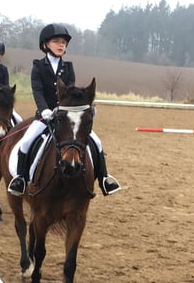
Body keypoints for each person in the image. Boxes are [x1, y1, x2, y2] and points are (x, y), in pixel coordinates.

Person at [7, 24, 121, 196]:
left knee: (96, 142)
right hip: (44, 117)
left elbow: (72, 92)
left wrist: (84, 108)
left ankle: (104, 179)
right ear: (45, 44)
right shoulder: (38, 66)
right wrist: (45, 110)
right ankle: (21, 179)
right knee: (26, 141)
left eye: (64, 43)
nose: (61, 45)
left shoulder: (68, 67)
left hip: (67, 117)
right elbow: (37, 91)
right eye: (57, 41)